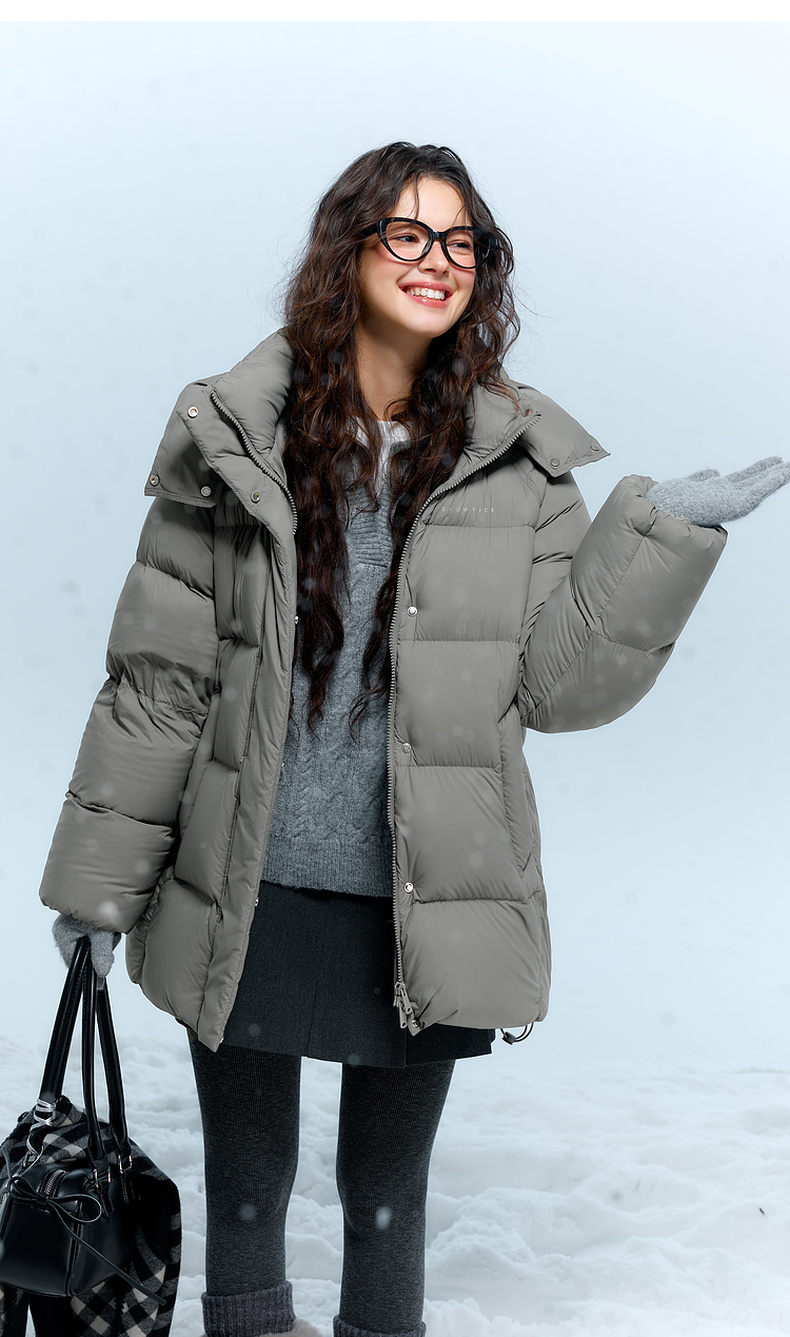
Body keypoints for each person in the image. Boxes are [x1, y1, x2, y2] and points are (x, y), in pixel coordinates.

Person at [41, 142, 790, 1337]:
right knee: (249, 1178)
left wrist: (657, 537)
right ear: (347, 251)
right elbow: (159, 682)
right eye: (406, 232)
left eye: (460, 240)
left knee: (386, 1184)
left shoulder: (522, 464)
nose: (436, 259)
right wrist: (96, 883)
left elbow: (555, 686)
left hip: (427, 886)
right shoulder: (238, 435)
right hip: (247, 876)